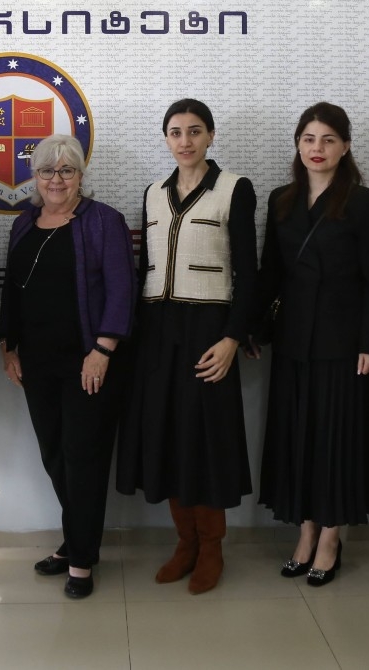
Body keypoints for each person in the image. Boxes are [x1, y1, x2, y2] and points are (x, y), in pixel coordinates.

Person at [116, 98, 257, 594]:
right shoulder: (154, 192)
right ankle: (185, 544)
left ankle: (212, 546)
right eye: (175, 132)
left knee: (205, 439)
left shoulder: (234, 188)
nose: (185, 141)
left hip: (208, 329)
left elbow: (248, 272)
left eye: (195, 131)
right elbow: (143, 270)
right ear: (166, 139)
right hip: (158, 330)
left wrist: (232, 338)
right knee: (167, 435)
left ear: (210, 136)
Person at [254, 103, 369, 587]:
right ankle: (306, 532)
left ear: (345, 147)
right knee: (299, 439)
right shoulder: (281, 199)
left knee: (337, 442)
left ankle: (331, 538)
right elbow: (270, 272)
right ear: (298, 144)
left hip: (344, 344)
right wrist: (253, 330)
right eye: (309, 139)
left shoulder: (363, 202)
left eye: (329, 139)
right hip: (293, 341)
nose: (318, 148)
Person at [0, 135, 135, 599]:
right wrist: (9, 347)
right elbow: (13, 290)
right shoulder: (24, 223)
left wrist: (103, 350)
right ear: (34, 176)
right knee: (55, 455)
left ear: (80, 175)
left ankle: (80, 560)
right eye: (46, 171)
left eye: (66, 170)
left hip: (87, 362)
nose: (56, 180)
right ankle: (75, 540)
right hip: (36, 362)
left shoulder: (103, 221)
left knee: (83, 459)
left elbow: (121, 289)